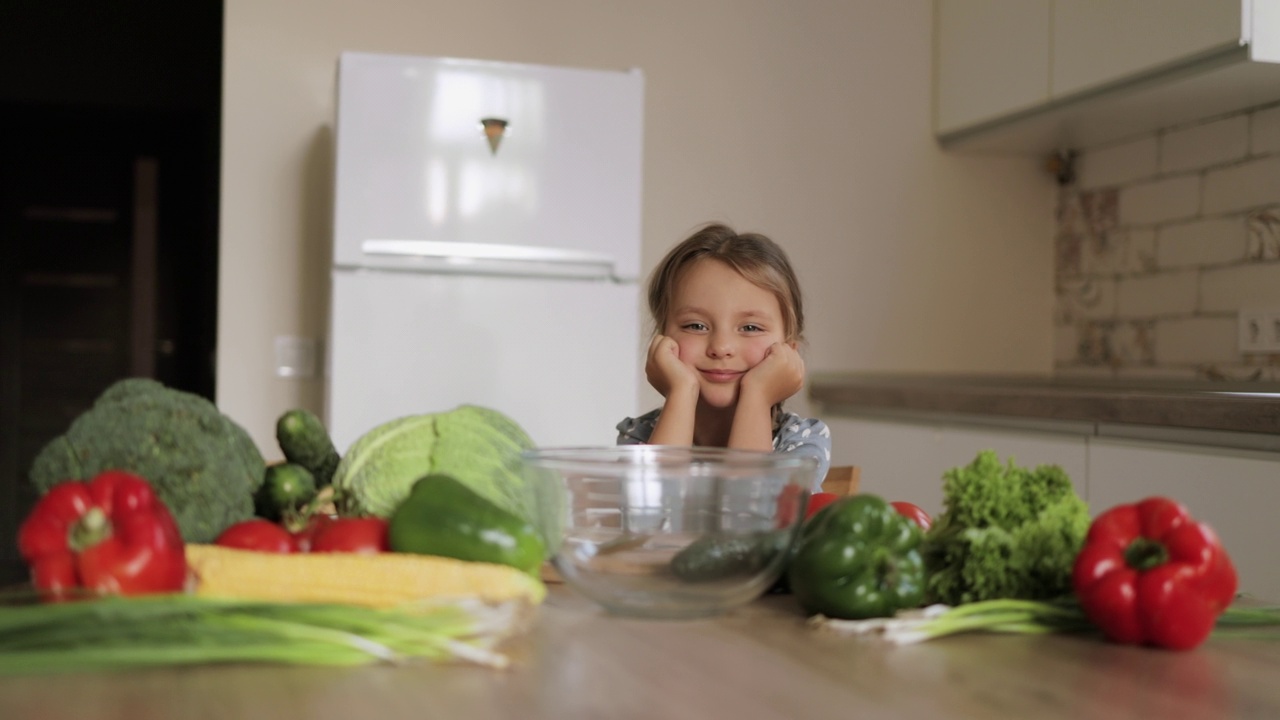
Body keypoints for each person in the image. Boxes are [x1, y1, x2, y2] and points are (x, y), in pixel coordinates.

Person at [616, 222, 832, 488]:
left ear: (789, 351)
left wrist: (757, 395)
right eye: (696, 326)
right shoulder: (640, 436)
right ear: (662, 341)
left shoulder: (802, 439)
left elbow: (750, 520)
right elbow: (650, 518)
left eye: (750, 328)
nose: (721, 347)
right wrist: (681, 392)